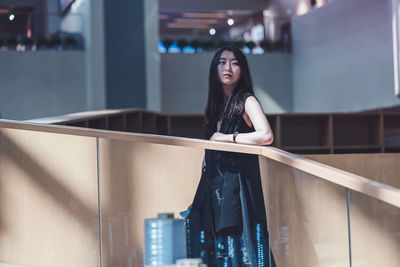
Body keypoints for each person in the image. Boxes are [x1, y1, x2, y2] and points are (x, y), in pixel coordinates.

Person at [186, 46, 276, 267]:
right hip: (215, 187)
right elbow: (209, 153)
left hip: (239, 188)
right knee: (215, 246)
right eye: (222, 62)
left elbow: (266, 135)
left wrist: (228, 138)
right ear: (214, 69)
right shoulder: (214, 108)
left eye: (235, 62)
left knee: (242, 247)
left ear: (242, 70)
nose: (228, 67)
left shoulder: (247, 101)